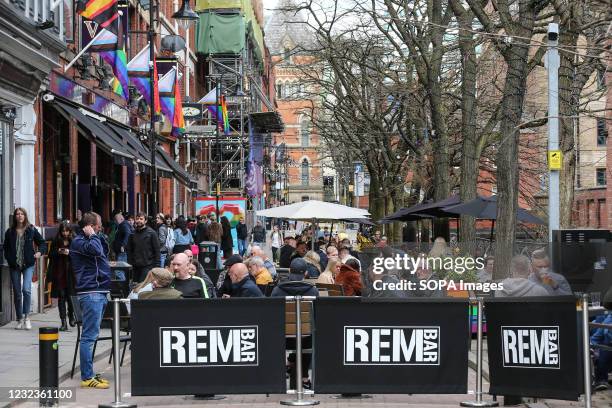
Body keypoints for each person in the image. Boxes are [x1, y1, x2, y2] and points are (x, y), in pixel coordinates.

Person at [70, 212, 111, 389]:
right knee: (89, 337)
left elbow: (104, 250)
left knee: (93, 336)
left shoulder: (93, 238)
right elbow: (95, 250)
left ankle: (91, 373)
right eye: (98, 225)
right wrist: (93, 236)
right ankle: (87, 377)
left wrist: (97, 236)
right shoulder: (79, 242)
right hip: (91, 292)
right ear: (90, 226)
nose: (101, 227)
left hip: (100, 291)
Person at [3, 207, 47, 330]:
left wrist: (39, 253)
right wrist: (9, 259)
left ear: (25, 216)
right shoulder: (10, 232)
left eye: (22, 214)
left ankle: (27, 317)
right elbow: (6, 248)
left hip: (28, 264)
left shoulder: (31, 229)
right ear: (15, 217)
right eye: (18, 214)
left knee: (26, 289)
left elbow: (42, 243)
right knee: (17, 292)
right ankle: (19, 319)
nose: (20, 216)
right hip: (15, 265)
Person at [47, 223, 76, 331]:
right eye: (63, 231)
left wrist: (70, 252)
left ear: (70, 231)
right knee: (61, 297)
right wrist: (58, 251)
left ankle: (71, 316)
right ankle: (63, 321)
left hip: (71, 274)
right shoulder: (56, 241)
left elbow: (78, 254)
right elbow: (50, 254)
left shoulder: (74, 241)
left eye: (67, 231)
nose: (65, 233)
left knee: (71, 297)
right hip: (59, 273)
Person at [127, 212, 160, 283]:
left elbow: (157, 251)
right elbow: (129, 250)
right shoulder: (132, 234)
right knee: (135, 287)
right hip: (135, 266)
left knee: (143, 287)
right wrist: (130, 263)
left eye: (141, 219)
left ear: (145, 221)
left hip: (147, 266)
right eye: (137, 218)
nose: (139, 220)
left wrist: (157, 266)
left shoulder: (152, 233)